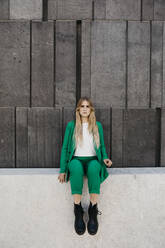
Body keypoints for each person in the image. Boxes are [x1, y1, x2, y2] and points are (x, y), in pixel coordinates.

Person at [58, 97, 112, 235]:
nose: (84, 108)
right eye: (82, 106)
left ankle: (93, 211)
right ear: (78, 109)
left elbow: (102, 146)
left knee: (95, 169)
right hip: (76, 159)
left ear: (91, 109)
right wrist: (63, 170)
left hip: (93, 159)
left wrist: (105, 158)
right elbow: (65, 148)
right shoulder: (72, 125)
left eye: (87, 106)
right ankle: (77, 210)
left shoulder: (97, 126)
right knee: (75, 169)